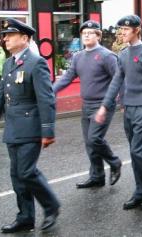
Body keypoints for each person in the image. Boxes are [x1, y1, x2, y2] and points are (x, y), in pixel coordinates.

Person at [0, 18, 60, 233]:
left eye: (10, 35)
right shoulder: (9, 63)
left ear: (24, 38)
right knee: (17, 175)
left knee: (26, 172)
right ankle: (25, 216)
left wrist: (48, 130)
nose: (5, 38)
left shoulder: (36, 62)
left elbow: (46, 99)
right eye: (4, 35)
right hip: (12, 128)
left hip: (31, 127)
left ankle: (51, 206)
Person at [95, 15, 142, 210]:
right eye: (120, 30)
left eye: (126, 30)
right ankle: (139, 191)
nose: (122, 33)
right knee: (135, 154)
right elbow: (116, 81)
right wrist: (104, 106)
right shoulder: (124, 54)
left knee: (137, 151)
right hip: (129, 107)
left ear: (136, 30)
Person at [53, 20, 122, 189]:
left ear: (98, 35)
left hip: (103, 104)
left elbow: (119, 78)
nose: (87, 36)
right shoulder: (78, 56)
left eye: (90, 33)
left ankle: (115, 162)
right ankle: (97, 176)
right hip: (87, 104)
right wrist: (51, 91)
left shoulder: (107, 56)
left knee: (95, 139)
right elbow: (68, 77)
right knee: (89, 143)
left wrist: (114, 101)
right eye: (84, 33)